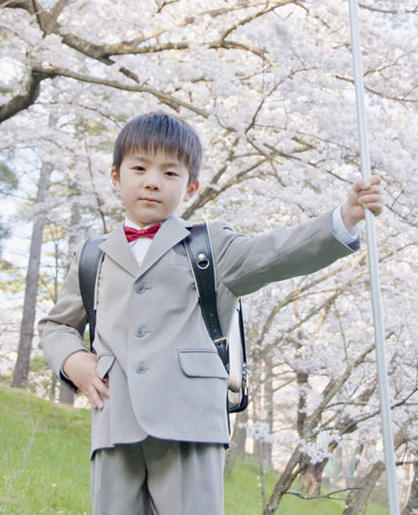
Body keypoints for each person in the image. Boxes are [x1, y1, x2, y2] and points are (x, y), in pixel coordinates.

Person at [39, 112, 382, 515]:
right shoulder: (91, 255)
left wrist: (343, 220)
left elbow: (274, 254)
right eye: (139, 168)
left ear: (191, 187)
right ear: (116, 177)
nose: (152, 181)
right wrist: (74, 360)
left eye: (170, 173)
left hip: (191, 425)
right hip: (115, 421)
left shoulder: (209, 247)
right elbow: (57, 325)